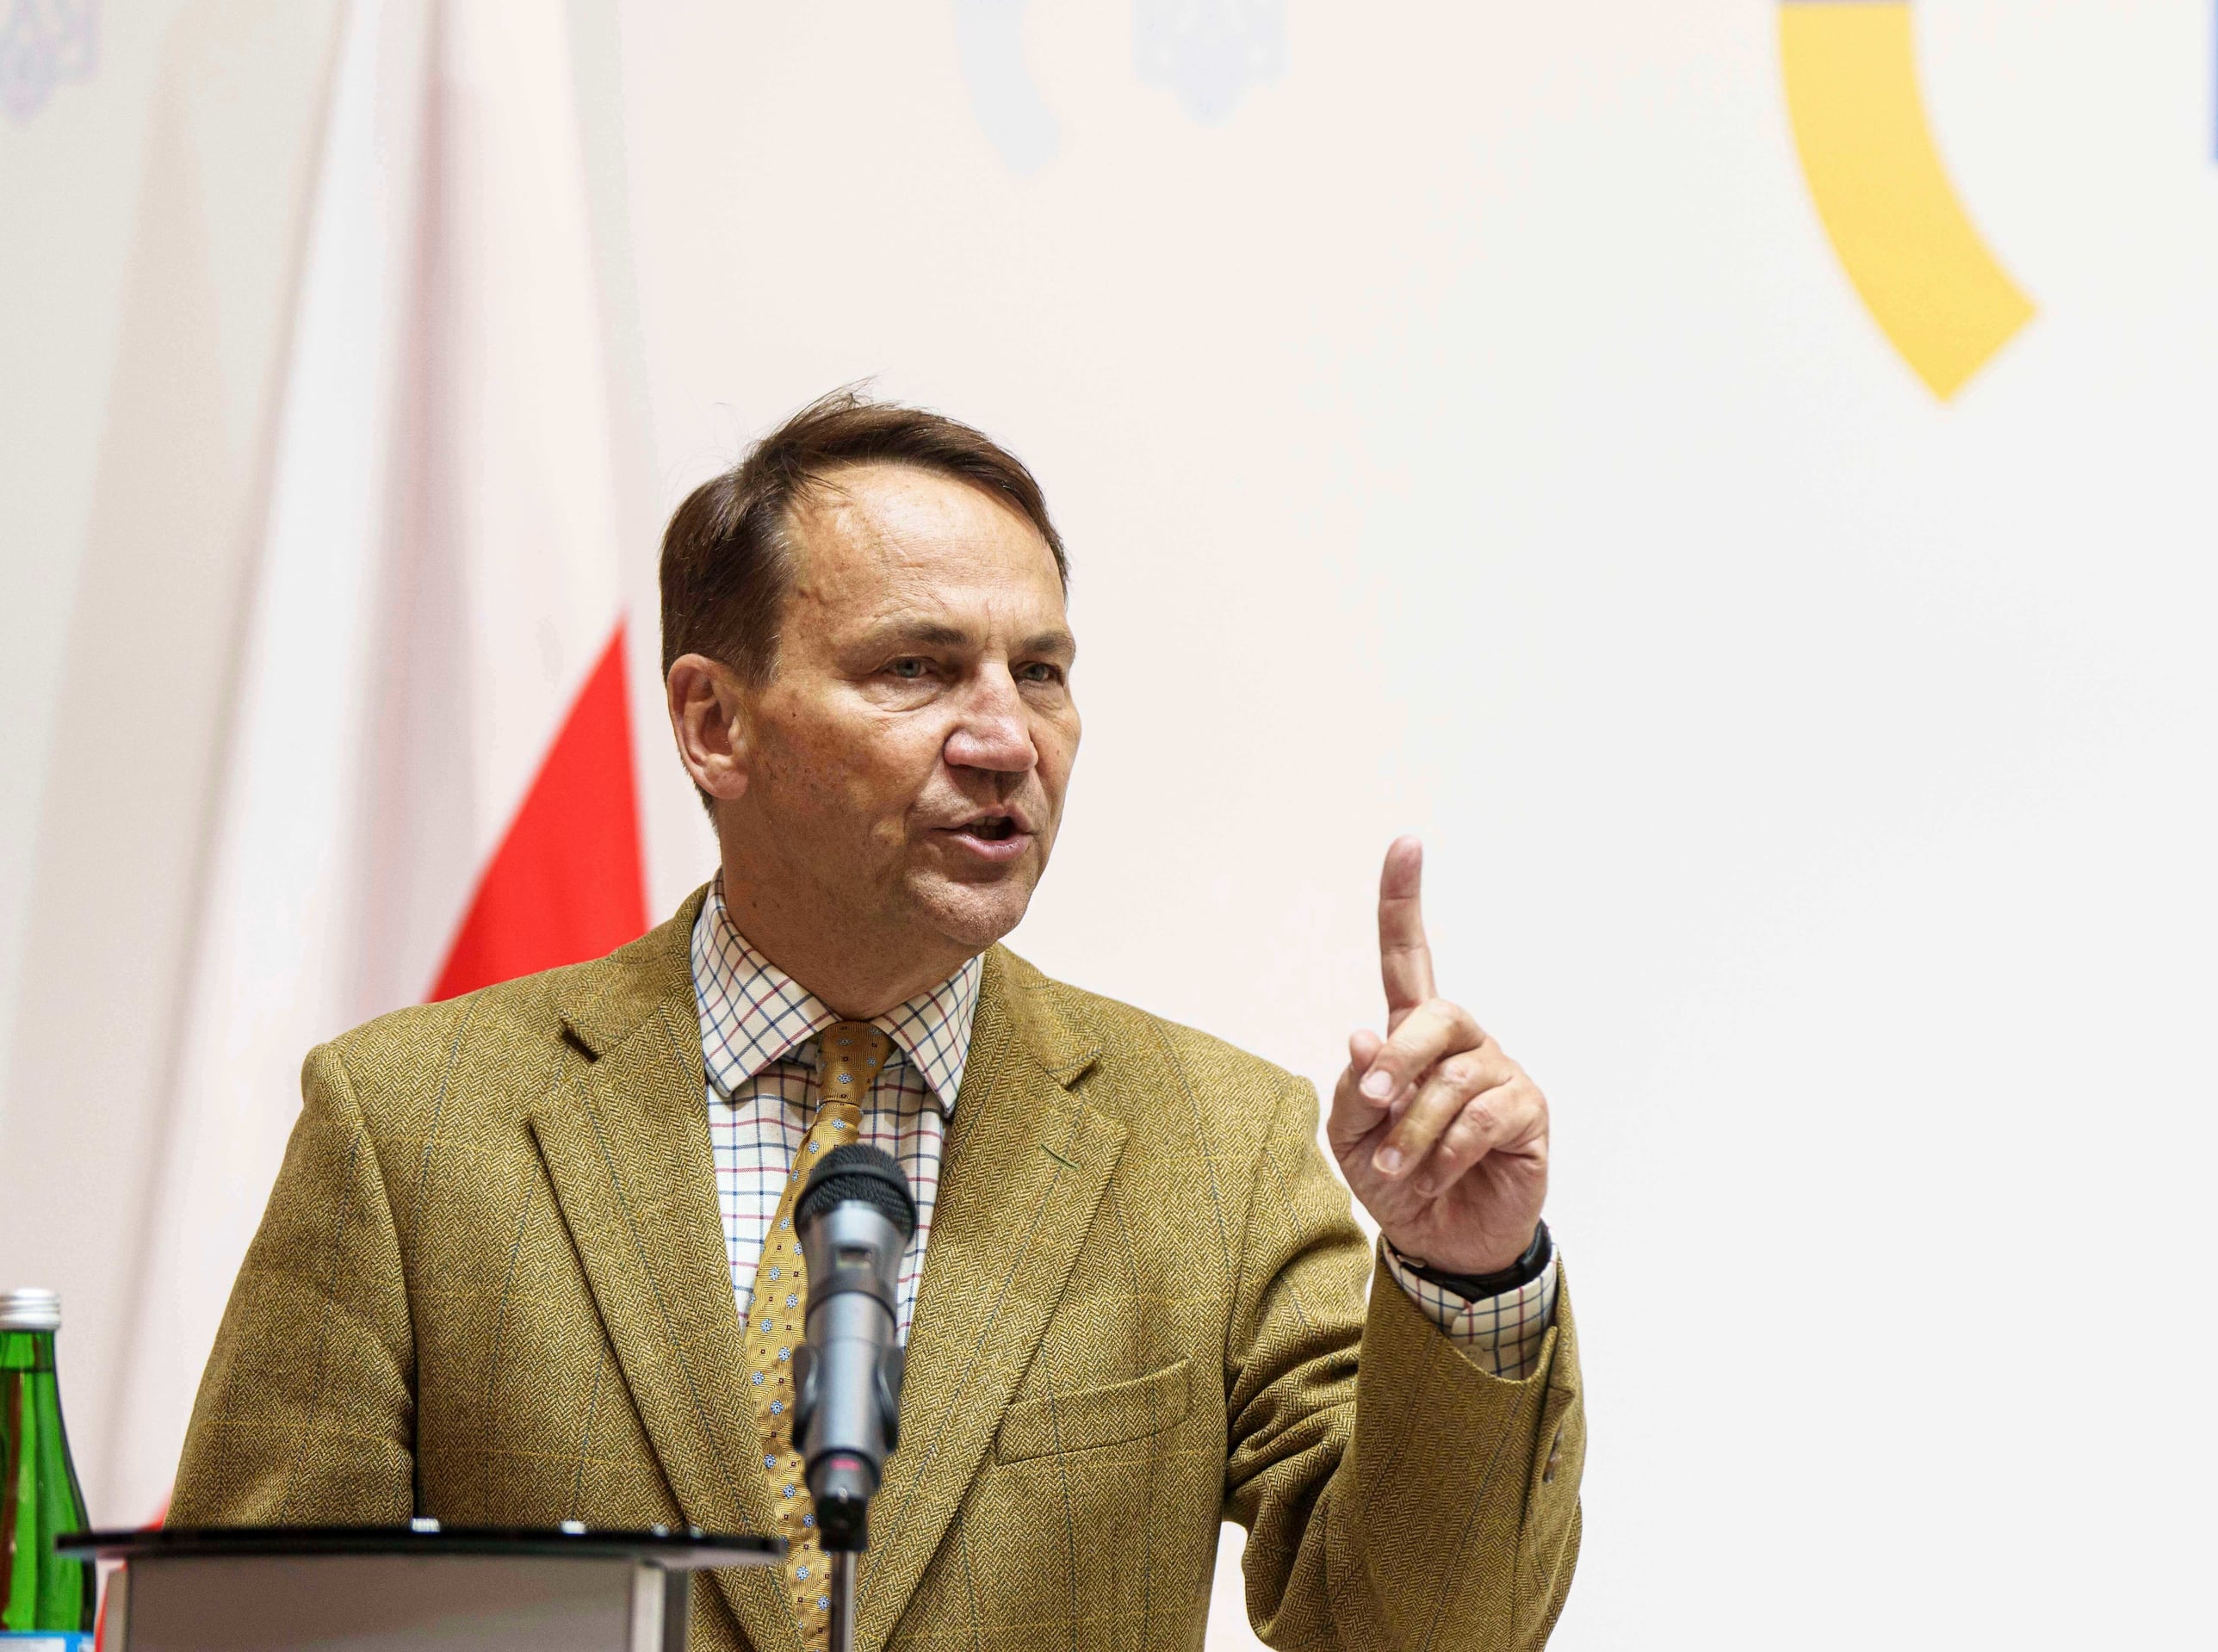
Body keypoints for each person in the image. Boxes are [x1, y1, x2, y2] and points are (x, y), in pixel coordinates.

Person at [169, 391, 1581, 1652]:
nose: (1005, 738)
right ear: (715, 723)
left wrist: (1467, 1278)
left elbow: (1416, 1634)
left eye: (1040, 672)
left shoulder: (1214, 1146)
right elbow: (250, 1625)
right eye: (916, 669)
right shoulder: (412, 1126)